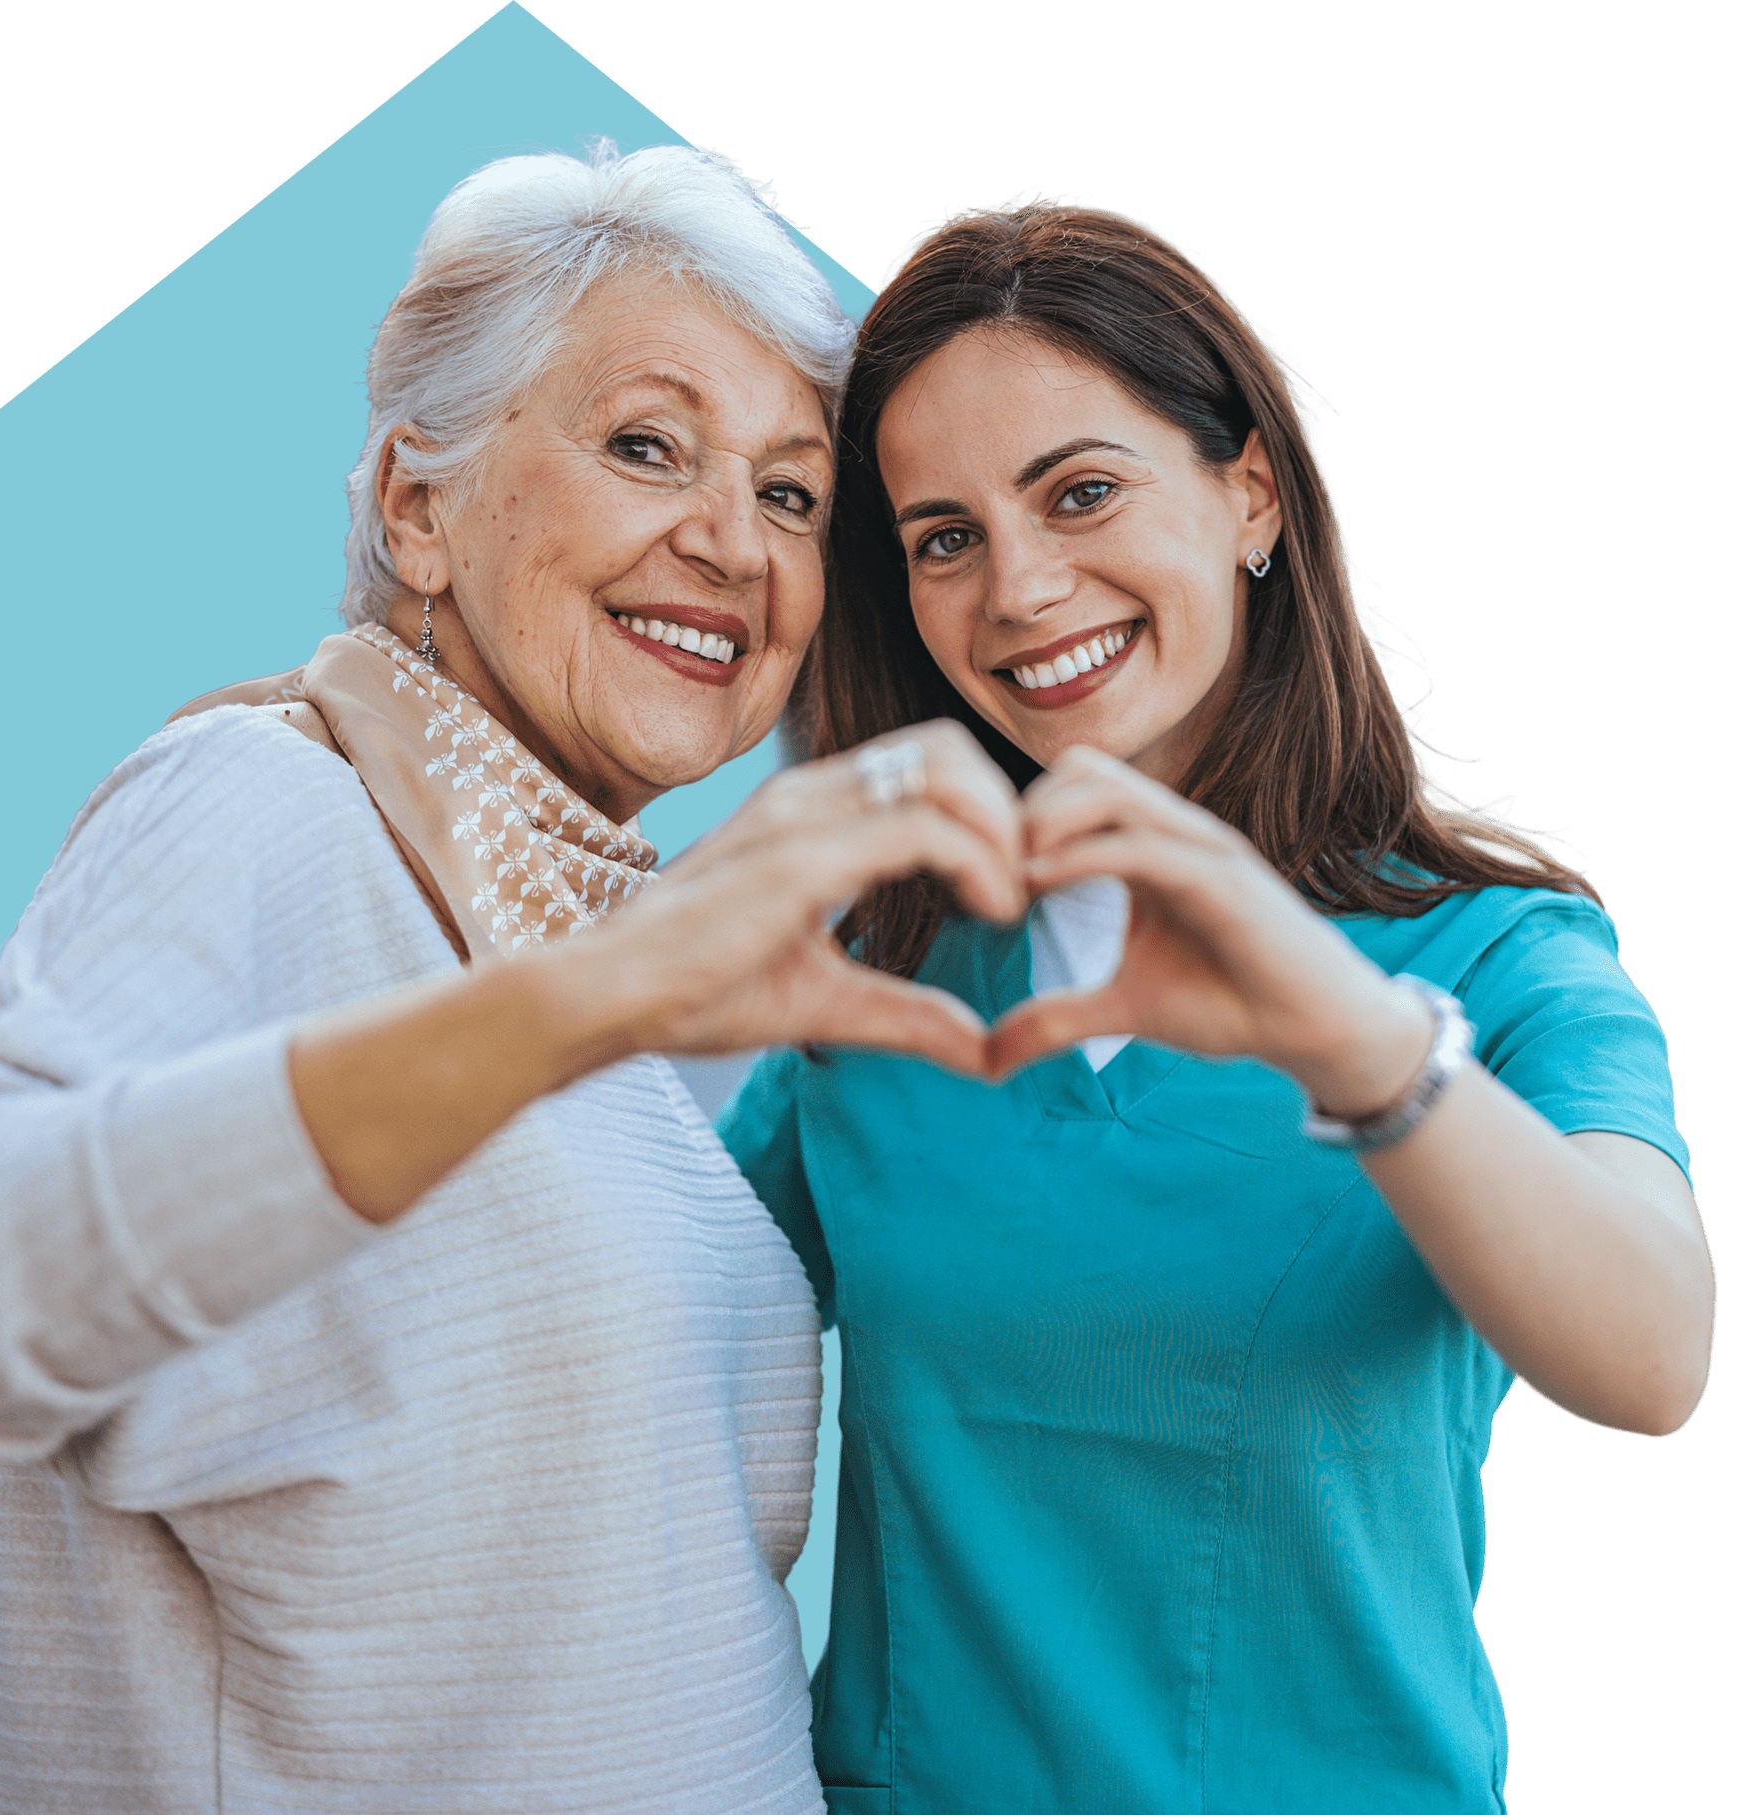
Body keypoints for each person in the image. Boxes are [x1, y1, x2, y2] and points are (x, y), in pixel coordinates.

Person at [0, 143, 1036, 1814]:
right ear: (416, 505)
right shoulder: (267, 802)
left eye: (787, 495)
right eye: (645, 446)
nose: (732, 545)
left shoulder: (634, 960)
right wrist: (576, 1010)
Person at [718, 199, 1715, 1814]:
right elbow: (612, 1311)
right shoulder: (876, 979)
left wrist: (1348, 1035)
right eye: (943, 538)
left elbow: (1652, 1355)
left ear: (1247, 489)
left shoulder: (1496, 959)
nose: (1020, 588)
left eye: (1082, 491)